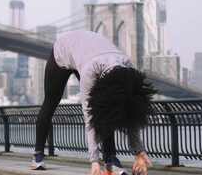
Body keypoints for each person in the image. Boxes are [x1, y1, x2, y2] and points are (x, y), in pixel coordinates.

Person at [31, 30, 156, 175]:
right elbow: (90, 116)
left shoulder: (129, 69)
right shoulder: (90, 72)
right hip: (64, 48)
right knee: (51, 102)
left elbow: (131, 113)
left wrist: (139, 152)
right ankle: (37, 155)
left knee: (109, 109)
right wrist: (94, 161)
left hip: (89, 54)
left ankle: (111, 160)